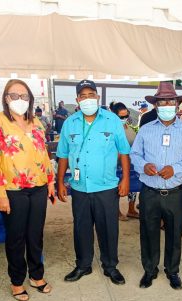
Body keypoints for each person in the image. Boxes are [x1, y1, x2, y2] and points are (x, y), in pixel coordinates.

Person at [0, 79, 55, 301]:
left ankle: (37, 275)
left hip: (38, 187)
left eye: (24, 96)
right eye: (14, 95)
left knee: (35, 234)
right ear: (6, 98)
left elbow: (44, 155)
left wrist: (50, 182)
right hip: (12, 190)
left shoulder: (38, 123)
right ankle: (17, 281)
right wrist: (0, 193)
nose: (20, 100)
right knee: (16, 237)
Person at [57, 80, 130, 285]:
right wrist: (60, 181)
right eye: (83, 95)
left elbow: (124, 151)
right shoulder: (70, 123)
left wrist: (125, 178)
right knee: (81, 227)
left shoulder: (112, 120)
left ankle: (110, 266)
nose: (87, 98)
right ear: (77, 100)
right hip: (80, 187)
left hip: (106, 187)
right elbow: (63, 155)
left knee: (108, 228)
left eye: (91, 94)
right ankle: (83, 265)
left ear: (98, 97)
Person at [131, 82, 182, 290]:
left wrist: (176, 169)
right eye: (162, 102)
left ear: (177, 104)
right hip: (150, 191)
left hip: (175, 192)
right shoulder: (145, 130)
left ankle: (172, 270)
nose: (167, 105)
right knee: (148, 232)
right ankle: (150, 270)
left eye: (170, 101)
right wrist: (144, 165)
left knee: (174, 233)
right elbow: (135, 154)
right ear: (156, 105)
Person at [110, 101, 139, 220]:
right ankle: (116, 211)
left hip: (130, 163)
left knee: (133, 187)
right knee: (116, 188)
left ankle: (131, 209)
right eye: (121, 116)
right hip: (116, 165)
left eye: (126, 115)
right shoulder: (111, 129)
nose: (124, 118)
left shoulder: (129, 127)